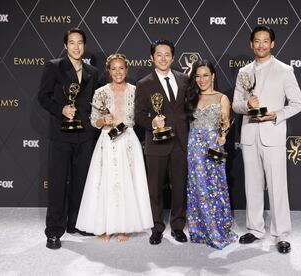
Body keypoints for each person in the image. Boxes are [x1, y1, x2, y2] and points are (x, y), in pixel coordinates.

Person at [232, 25, 301, 254]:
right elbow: (235, 104)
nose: (261, 45)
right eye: (257, 41)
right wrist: (247, 105)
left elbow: (297, 103)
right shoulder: (243, 72)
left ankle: (281, 234)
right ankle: (255, 229)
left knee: (277, 187)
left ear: (272, 44)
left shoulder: (285, 70)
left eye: (265, 41)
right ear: (251, 44)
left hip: (273, 135)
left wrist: (276, 115)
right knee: (251, 185)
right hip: (250, 135)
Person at [75, 54, 153, 242]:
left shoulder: (136, 91)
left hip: (128, 139)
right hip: (107, 140)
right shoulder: (101, 92)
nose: (118, 72)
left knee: (128, 182)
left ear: (126, 70)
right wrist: (104, 121)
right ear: (108, 71)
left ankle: (124, 227)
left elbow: (141, 116)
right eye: (114, 68)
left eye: (121, 68)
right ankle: (104, 227)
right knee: (105, 182)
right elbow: (94, 120)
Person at [38, 28, 99, 249]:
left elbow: (93, 102)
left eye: (80, 43)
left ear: (84, 46)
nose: (76, 46)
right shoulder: (54, 66)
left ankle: (76, 223)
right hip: (61, 134)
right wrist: (61, 110)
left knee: (80, 182)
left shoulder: (92, 70)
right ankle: (54, 231)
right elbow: (42, 97)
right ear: (65, 46)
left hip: (84, 134)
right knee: (57, 183)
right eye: (71, 43)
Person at [134, 39, 189, 245]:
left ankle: (177, 226)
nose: (163, 58)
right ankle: (156, 227)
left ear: (173, 57)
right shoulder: (144, 83)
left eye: (167, 54)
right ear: (152, 57)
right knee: (155, 188)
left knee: (179, 187)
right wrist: (152, 122)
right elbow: (138, 115)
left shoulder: (184, 79)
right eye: (159, 54)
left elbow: (189, 109)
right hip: (156, 143)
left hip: (181, 143)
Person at [186, 60, 238, 249]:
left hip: (213, 147)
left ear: (213, 76)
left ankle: (218, 228)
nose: (201, 79)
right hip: (194, 148)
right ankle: (200, 229)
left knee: (215, 185)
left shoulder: (221, 98)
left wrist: (223, 136)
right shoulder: (191, 96)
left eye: (205, 75)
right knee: (197, 187)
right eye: (198, 76)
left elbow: (225, 123)